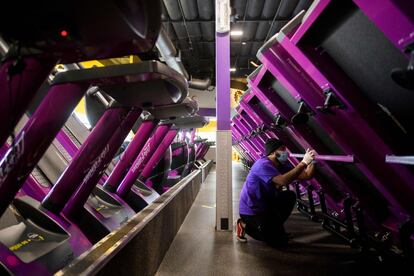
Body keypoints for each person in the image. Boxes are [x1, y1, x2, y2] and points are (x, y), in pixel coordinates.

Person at [236, 138, 316, 247]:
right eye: (282, 150)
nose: (285, 153)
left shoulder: (282, 164)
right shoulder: (262, 165)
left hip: (267, 204)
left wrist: (312, 161)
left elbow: (306, 175)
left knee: (289, 196)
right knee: (277, 242)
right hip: (252, 210)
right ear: (273, 152)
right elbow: (283, 181)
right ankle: (244, 225)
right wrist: (303, 163)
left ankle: (275, 228)